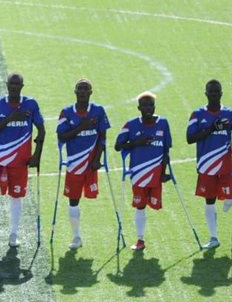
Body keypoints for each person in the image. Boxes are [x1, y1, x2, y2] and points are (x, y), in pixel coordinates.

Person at [0, 73, 45, 248]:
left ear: (22, 86)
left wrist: (37, 154)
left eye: (17, 84)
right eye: (11, 84)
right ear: (7, 85)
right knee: (5, 192)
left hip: (21, 161)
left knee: (16, 195)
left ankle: (13, 233)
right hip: (2, 159)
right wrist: (11, 118)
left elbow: (41, 130)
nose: (14, 87)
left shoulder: (31, 104)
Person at [114, 92, 172, 252]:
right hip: (138, 174)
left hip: (156, 174)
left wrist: (164, 172)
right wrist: (135, 142)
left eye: (150, 105)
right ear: (138, 108)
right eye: (144, 105)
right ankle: (140, 239)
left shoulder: (163, 123)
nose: (148, 108)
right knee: (140, 206)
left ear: (154, 107)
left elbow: (166, 149)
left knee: (154, 205)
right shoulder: (131, 125)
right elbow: (118, 146)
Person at [56, 78, 110, 249]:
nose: (83, 91)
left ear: (91, 92)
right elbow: (61, 136)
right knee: (73, 200)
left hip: (92, 162)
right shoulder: (66, 112)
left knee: (92, 196)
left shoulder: (98, 110)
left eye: (86, 89)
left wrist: (97, 159)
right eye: (80, 88)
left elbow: (103, 136)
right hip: (75, 163)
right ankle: (76, 237)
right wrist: (82, 126)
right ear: (75, 91)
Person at [186, 79, 231, 250]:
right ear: (206, 94)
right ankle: (214, 237)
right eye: (211, 91)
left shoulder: (229, 113)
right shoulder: (197, 114)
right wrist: (212, 128)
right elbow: (190, 138)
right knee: (209, 201)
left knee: (229, 197)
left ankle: (228, 199)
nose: (214, 94)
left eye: (216, 91)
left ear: (221, 93)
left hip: (227, 164)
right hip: (206, 165)